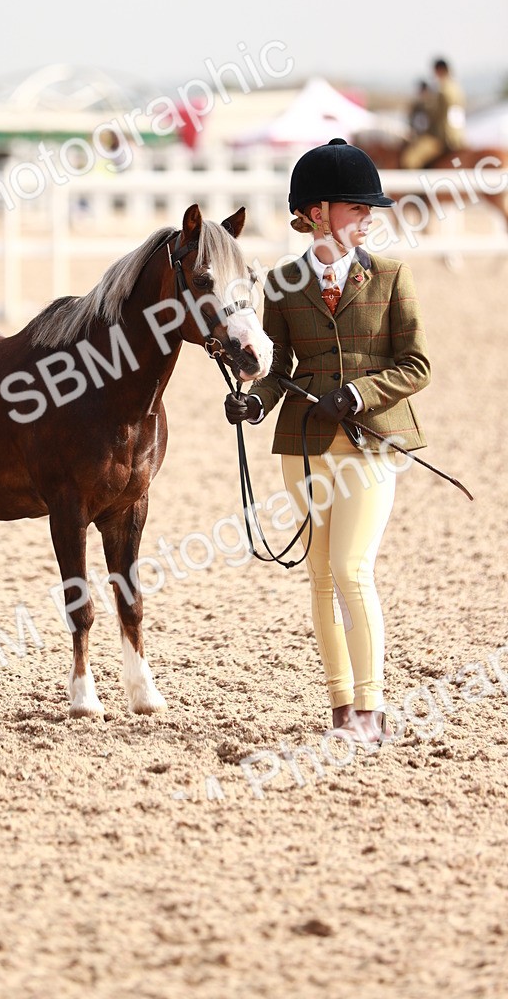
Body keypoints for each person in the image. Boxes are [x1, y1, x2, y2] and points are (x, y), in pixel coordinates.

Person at [225, 138, 431, 743]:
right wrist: (252, 400)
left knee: (350, 566)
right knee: (320, 574)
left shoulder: (392, 276)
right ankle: (341, 708)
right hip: (306, 442)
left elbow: (416, 364)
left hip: (369, 440)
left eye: (370, 211)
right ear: (316, 214)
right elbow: (279, 362)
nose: (369, 217)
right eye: (356, 208)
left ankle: (371, 711)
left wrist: (361, 395)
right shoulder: (285, 283)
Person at [401, 58, 466, 168]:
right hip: (459, 136)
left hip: (443, 137)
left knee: (409, 160)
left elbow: (435, 115)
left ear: (439, 70)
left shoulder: (442, 90)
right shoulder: (457, 88)